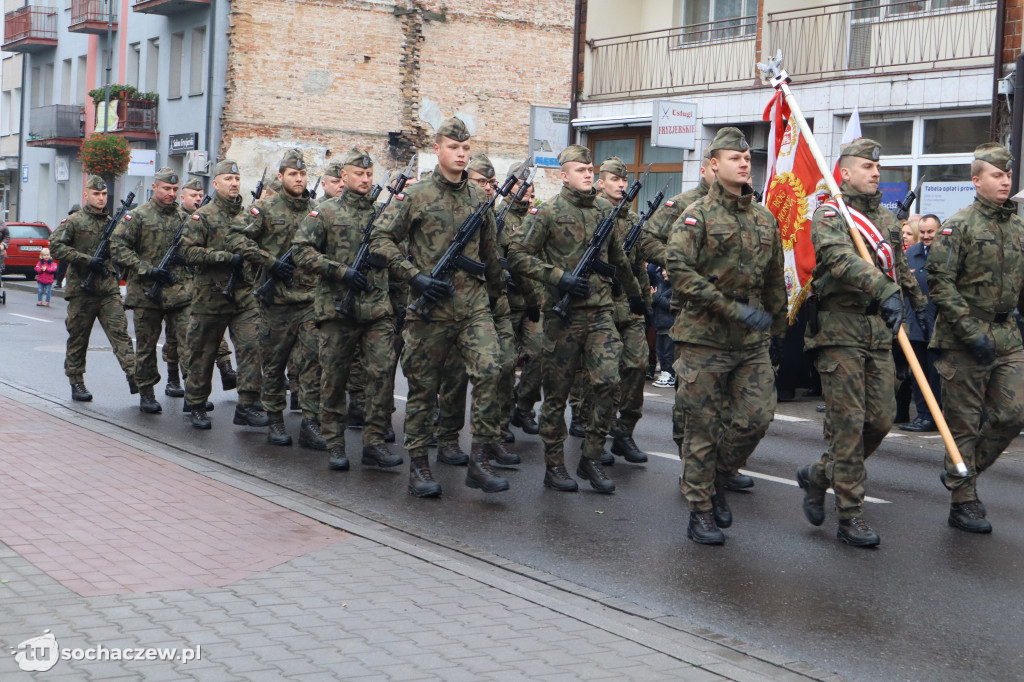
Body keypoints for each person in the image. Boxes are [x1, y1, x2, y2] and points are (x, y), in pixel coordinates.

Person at [796, 138, 927, 548]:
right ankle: (850, 514)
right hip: (839, 331)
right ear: (845, 173)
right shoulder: (830, 215)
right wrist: (883, 288)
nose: (875, 173)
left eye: (878, 167)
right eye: (867, 167)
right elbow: (839, 259)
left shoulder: (887, 222)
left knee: (882, 419)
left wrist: (919, 305)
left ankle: (819, 475)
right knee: (849, 426)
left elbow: (900, 268)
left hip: (877, 333)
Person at [371, 117, 510, 497]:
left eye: (466, 149)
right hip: (430, 309)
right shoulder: (417, 195)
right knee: (423, 390)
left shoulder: (479, 198)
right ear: (438, 150)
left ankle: (479, 460)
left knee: (491, 371)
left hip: (473, 307)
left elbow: (489, 253)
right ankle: (419, 466)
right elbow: (380, 240)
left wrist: (499, 297)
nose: (461, 154)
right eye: (454, 147)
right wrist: (413, 276)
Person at [666, 127, 787, 545]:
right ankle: (699, 510)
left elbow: (774, 279)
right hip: (704, 338)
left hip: (751, 342)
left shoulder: (764, 217)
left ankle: (718, 475)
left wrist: (779, 326)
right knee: (702, 426)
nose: (743, 162)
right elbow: (679, 272)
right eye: (734, 157)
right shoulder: (695, 215)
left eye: (747, 158)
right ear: (713, 165)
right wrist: (730, 307)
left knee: (756, 418)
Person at [508, 144, 643, 494]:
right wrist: (557, 277)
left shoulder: (603, 210)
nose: (586, 173)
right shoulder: (549, 212)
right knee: (557, 394)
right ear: (564, 175)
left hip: (600, 314)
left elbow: (617, 259)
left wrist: (635, 295)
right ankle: (554, 465)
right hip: (562, 316)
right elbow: (518, 255)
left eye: (589, 169)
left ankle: (592, 458)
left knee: (609, 383)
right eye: (580, 169)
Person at [926, 143, 1024, 534]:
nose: (1005, 181)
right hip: (963, 337)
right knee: (963, 424)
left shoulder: (1017, 226)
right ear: (976, 181)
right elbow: (940, 284)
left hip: (1007, 333)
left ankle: (960, 471)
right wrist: (969, 330)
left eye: (1007, 175)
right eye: (997, 176)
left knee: (1013, 413)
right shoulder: (958, 225)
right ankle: (963, 500)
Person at [292, 148, 403, 472]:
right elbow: (300, 251)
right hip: (337, 311)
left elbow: (400, 252)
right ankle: (335, 444)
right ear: (344, 176)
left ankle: (374, 444)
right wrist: (340, 271)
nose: (366, 179)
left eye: (369, 174)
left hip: (377, 310)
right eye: (359, 174)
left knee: (382, 375)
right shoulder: (324, 213)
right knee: (334, 379)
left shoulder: (383, 214)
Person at [231, 149, 325, 449]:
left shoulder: (317, 208)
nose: (299, 179)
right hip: (276, 302)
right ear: (281, 177)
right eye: (293, 174)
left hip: (310, 300)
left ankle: (310, 424)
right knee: (274, 364)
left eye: (302, 174)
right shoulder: (266, 208)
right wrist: (269, 262)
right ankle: (274, 420)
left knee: (312, 364)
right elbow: (237, 237)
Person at [179, 160, 269, 430]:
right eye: (228, 178)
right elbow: (187, 252)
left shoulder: (248, 216)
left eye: (237, 178)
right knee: (203, 353)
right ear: (216, 184)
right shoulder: (202, 216)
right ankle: (196, 403)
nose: (234, 183)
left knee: (252, 347)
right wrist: (226, 258)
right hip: (210, 297)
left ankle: (247, 404)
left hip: (243, 296)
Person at [111, 167, 195, 415]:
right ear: (155, 187)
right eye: (167, 189)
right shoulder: (138, 216)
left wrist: (185, 258)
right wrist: (145, 268)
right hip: (147, 293)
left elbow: (196, 247)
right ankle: (146, 392)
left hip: (179, 292)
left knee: (189, 343)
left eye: (175, 190)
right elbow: (117, 246)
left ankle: (194, 394)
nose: (171, 194)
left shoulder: (184, 218)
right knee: (147, 346)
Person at [48, 175, 137, 402]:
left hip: (108, 289)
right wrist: (85, 259)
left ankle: (135, 376)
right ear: (86, 195)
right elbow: (55, 246)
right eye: (96, 194)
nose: (100, 198)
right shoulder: (75, 222)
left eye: (104, 194)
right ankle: (76, 381)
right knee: (78, 338)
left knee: (120, 334)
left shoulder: (113, 223)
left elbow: (126, 249)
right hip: (82, 290)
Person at [595, 156, 651, 464]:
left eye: (624, 181)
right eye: (615, 180)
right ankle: (598, 434)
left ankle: (624, 432)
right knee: (604, 376)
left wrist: (645, 302)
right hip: (601, 306)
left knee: (638, 365)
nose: (621, 185)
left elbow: (639, 266)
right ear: (600, 182)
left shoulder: (631, 221)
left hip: (628, 307)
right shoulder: (593, 213)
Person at [899, 213, 940, 432]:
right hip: (915, 325)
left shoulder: (945, 253)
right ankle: (923, 415)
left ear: (938, 231)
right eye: (922, 232)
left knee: (935, 375)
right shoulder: (912, 253)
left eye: (930, 232)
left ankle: (934, 416)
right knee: (918, 373)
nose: (925, 236)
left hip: (938, 325)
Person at [651, 268, 674, 387]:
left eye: (667, 270)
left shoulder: (676, 288)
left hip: (670, 325)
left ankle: (670, 374)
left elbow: (670, 305)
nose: (664, 272)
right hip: (659, 324)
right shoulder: (661, 285)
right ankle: (665, 373)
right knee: (661, 352)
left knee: (669, 353)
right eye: (663, 269)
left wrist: (656, 297)